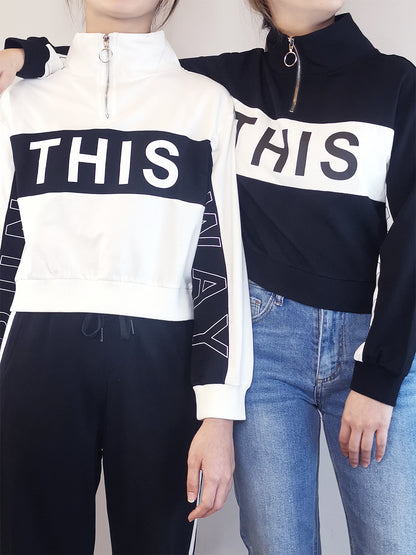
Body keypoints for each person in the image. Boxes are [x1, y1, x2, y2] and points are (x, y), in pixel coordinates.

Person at [1, 0, 416, 553]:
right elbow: (118, 60)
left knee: (395, 541)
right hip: (263, 349)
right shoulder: (224, 82)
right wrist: (28, 54)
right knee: (276, 544)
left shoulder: (394, 83)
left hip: (368, 346)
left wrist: (381, 374)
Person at [0, 1, 253, 554]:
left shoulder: (203, 101)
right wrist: (31, 56)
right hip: (38, 351)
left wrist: (219, 412)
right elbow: (4, 247)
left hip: (162, 360)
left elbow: (219, 260)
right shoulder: (18, 96)